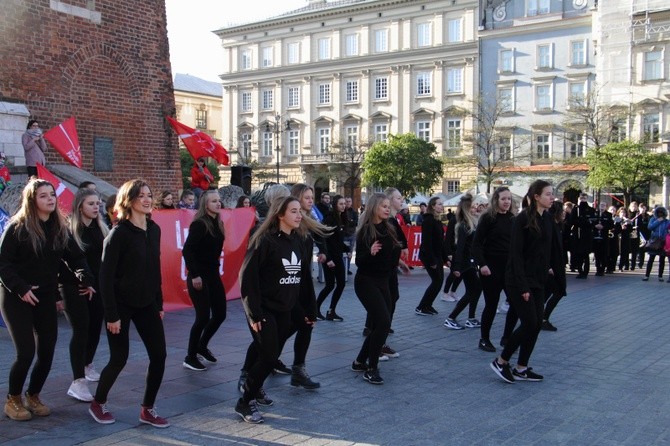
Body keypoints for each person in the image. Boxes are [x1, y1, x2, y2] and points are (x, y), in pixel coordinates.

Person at [0, 179, 93, 421]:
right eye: (43, 196)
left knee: (48, 350)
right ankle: (13, 399)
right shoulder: (17, 228)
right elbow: (3, 264)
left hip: (44, 297)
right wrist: (20, 288)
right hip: (16, 296)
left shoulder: (59, 228)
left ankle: (33, 395)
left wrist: (84, 276)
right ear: (32, 200)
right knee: (26, 352)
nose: (50, 199)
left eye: (52, 194)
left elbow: (76, 258)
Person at [89, 179, 169, 428]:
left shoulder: (154, 229)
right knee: (119, 358)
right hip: (120, 305)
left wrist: (159, 302)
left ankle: (147, 409)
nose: (146, 199)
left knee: (159, 355)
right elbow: (105, 277)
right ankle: (98, 403)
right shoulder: (118, 234)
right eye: (140, 195)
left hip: (147, 303)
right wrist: (112, 315)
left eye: (149, 194)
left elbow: (154, 268)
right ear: (128, 200)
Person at [236, 196, 313, 423]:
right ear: (280, 215)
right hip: (264, 309)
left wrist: (310, 310)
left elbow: (304, 278)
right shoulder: (265, 241)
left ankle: (253, 386)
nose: (299, 215)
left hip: (285, 309)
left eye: (300, 211)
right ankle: (244, 401)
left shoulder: (298, 241)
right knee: (269, 356)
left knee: (271, 354)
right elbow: (247, 277)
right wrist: (254, 313)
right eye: (293, 211)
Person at [490, 180, 555, 384]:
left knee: (535, 324)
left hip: (537, 279)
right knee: (529, 322)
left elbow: (545, 251)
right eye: (547, 194)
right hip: (518, 280)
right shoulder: (522, 219)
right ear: (536, 196)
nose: (552, 197)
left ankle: (521, 367)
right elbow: (516, 255)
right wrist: (522, 285)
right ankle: (501, 361)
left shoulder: (547, 219)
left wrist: (551, 270)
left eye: (552, 194)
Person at [60, 189, 109, 402]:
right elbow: (65, 262)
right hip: (74, 288)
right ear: (80, 206)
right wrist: (82, 281)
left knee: (95, 328)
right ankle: (77, 381)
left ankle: (87, 364)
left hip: (96, 286)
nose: (96, 207)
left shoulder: (101, 227)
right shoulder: (70, 230)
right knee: (81, 330)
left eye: (97, 203)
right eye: (91, 203)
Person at [351, 193, 401, 385]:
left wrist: (400, 263)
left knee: (380, 324)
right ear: (374, 208)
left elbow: (392, 251)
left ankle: (359, 362)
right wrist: (370, 253)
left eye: (389, 206)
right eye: (383, 206)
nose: (387, 209)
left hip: (384, 281)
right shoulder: (365, 230)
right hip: (366, 282)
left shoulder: (389, 227)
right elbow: (360, 261)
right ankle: (372, 368)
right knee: (383, 322)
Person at [182, 190, 226, 371]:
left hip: (213, 274)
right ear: (205, 204)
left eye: (219, 201)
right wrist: (195, 274)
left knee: (220, 314)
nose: (218, 204)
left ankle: (202, 345)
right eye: (214, 201)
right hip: (199, 276)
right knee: (202, 317)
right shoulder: (200, 224)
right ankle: (190, 356)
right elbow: (187, 250)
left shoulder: (218, 223)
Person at [471, 187, 515, 352]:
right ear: (496, 200)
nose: (506, 202)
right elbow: (476, 244)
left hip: (509, 269)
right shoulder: (488, 218)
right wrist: (482, 264)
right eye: (503, 199)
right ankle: (484, 339)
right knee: (491, 304)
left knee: (515, 304)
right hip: (490, 268)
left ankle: (506, 338)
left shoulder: (512, 219)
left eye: (509, 199)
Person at [443, 194, 482, 330]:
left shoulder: (471, 223)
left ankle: (470, 318)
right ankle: (451, 317)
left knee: (475, 290)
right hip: (465, 263)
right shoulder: (464, 226)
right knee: (474, 290)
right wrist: (457, 267)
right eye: (472, 206)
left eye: (475, 205)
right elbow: (459, 248)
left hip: (469, 262)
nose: (475, 208)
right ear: (466, 209)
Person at [316, 195, 349, 321]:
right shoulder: (330, 218)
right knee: (333, 284)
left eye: (344, 204)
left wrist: (347, 249)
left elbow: (337, 241)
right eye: (341, 204)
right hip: (330, 257)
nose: (343, 206)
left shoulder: (341, 218)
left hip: (337, 255)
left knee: (335, 284)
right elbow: (324, 239)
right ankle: (319, 309)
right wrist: (328, 258)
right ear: (335, 204)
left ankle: (329, 311)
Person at [415, 196, 448, 316]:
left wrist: (445, 259)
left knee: (438, 282)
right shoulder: (428, 221)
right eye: (439, 204)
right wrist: (431, 261)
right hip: (429, 256)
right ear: (433, 206)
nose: (441, 206)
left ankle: (428, 305)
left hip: (437, 255)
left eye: (442, 204)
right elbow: (427, 242)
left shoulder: (437, 221)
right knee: (436, 281)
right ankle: (421, 306)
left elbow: (441, 242)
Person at [541, 201, 568, 331]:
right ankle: (543, 318)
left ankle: (540, 317)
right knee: (557, 291)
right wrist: (548, 266)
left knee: (549, 292)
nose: (564, 212)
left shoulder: (557, 225)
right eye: (561, 210)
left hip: (557, 264)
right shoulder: (550, 226)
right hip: (551, 265)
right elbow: (545, 247)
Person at [568, 193, 594, 278]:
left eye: (584, 198)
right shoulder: (576, 209)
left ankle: (585, 272)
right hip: (578, 235)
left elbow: (591, 221)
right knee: (578, 254)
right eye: (581, 198)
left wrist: (584, 222)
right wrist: (580, 222)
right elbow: (571, 221)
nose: (583, 199)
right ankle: (580, 270)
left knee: (585, 254)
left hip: (586, 235)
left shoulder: (591, 209)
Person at [642, 206, 669, 282]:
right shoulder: (653, 219)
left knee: (662, 259)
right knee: (651, 258)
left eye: (662, 213)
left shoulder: (667, 221)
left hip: (663, 242)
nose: (660, 214)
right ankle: (647, 275)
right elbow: (650, 227)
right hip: (654, 241)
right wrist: (658, 221)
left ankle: (660, 276)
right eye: (659, 213)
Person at [592, 202, 613, 276]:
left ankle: (602, 269)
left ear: (606, 207)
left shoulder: (609, 215)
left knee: (604, 254)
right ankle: (598, 269)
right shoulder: (595, 213)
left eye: (604, 205)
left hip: (604, 237)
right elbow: (591, 222)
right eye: (601, 205)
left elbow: (611, 225)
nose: (602, 207)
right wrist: (595, 226)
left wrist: (603, 227)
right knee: (597, 254)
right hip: (596, 237)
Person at [343, 196, 359, 275]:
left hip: (351, 234)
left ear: (351, 202)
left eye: (349, 201)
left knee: (349, 252)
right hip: (343, 235)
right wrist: (350, 221)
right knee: (343, 252)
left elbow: (355, 223)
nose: (348, 203)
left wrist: (349, 221)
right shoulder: (342, 211)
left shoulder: (354, 212)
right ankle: (343, 268)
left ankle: (347, 268)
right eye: (346, 201)